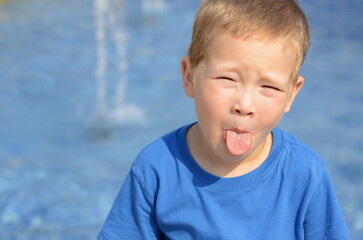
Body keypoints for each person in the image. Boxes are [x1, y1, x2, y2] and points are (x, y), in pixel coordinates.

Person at [98, 0, 350, 239]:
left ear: (291, 95)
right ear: (189, 76)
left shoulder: (305, 175)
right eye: (227, 79)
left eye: (269, 87)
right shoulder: (156, 169)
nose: (244, 105)